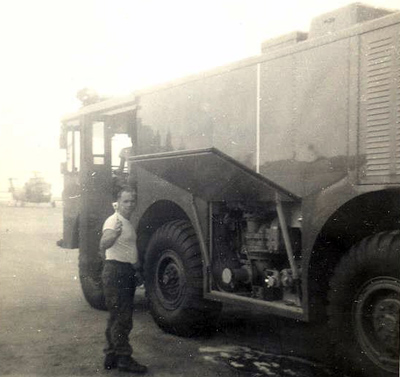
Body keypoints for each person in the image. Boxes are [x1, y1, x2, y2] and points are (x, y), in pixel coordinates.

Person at [99, 187, 147, 374]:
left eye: (132, 201)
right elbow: (103, 244)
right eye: (126, 201)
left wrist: (136, 269)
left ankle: (111, 356)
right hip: (116, 272)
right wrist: (114, 234)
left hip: (123, 270)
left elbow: (127, 250)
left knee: (115, 317)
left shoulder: (126, 222)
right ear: (118, 203)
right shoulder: (114, 221)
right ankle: (124, 359)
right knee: (123, 318)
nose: (130, 204)